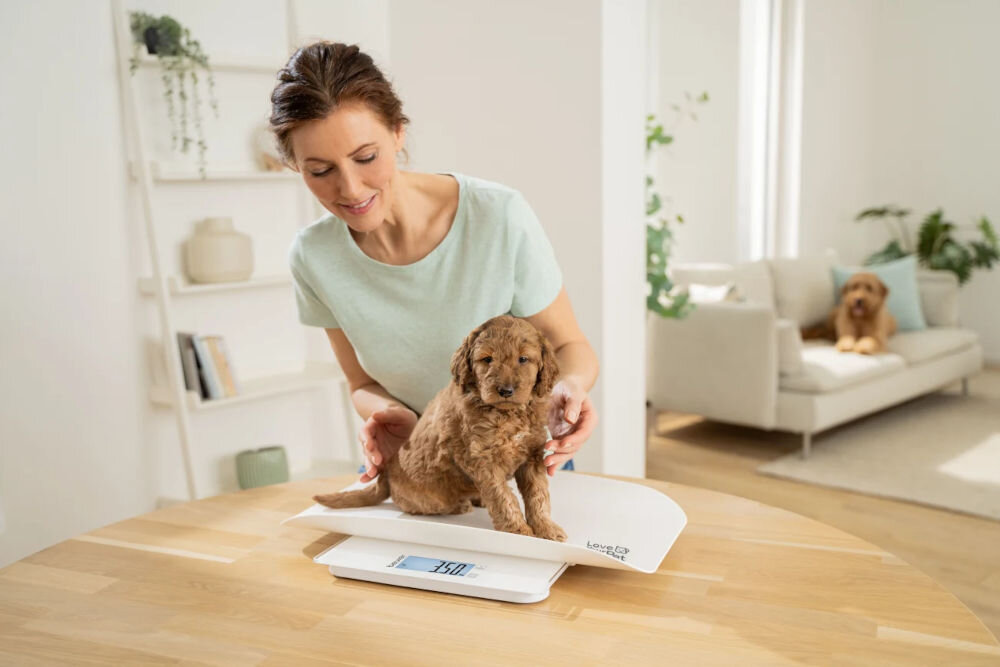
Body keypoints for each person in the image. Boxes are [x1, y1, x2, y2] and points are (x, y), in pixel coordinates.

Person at [269, 42, 599, 482]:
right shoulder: (315, 256)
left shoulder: (496, 217)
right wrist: (392, 415)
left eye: (366, 158)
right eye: (320, 171)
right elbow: (361, 384)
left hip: (518, 463)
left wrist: (569, 387)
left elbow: (568, 346)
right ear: (297, 166)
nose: (349, 188)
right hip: (419, 463)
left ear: (398, 132)